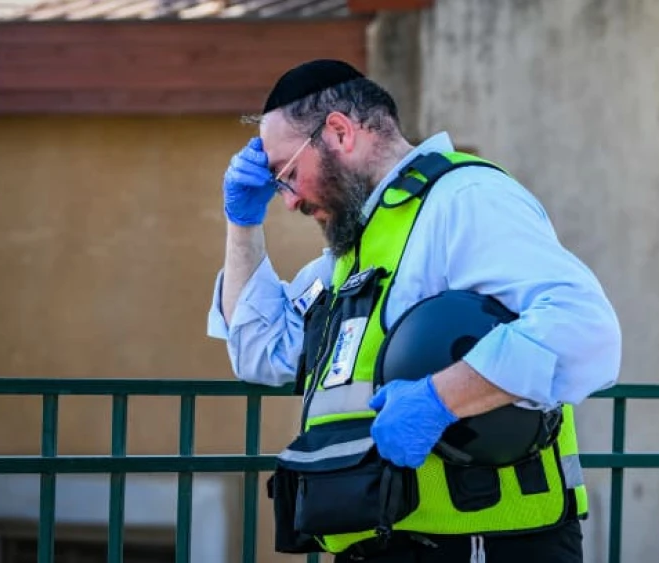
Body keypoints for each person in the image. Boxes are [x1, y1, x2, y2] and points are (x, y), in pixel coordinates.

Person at [206, 59, 622, 563]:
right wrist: (243, 224)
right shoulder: (355, 250)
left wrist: (439, 399)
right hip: (386, 540)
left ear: (339, 132)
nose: (289, 201)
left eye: (287, 175)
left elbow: (583, 329)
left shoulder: (465, 199)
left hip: (484, 544)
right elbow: (261, 352)